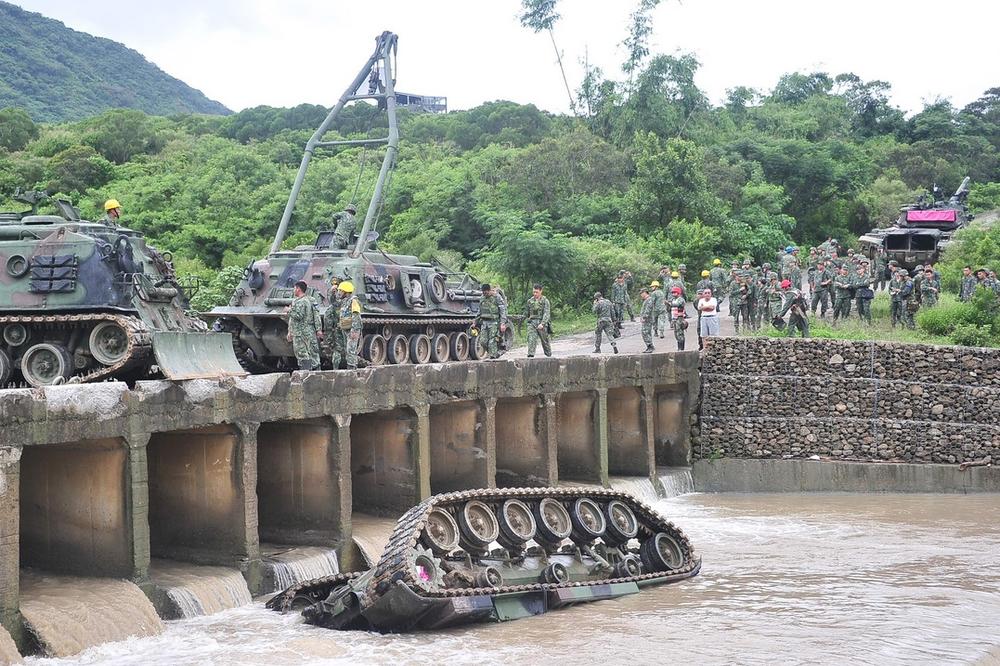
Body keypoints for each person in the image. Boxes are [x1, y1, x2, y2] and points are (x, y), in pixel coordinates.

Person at [286, 280, 322, 370]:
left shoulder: (301, 301)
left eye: (294, 288)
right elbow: (292, 320)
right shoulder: (302, 300)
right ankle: (315, 374)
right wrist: (290, 331)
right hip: (304, 331)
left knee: (302, 353)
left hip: (301, 333)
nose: (293, 290)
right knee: (312, 354)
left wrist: (289, 311)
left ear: (298, 289)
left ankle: (306, 374)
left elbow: (298, 316)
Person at [478, 283, 508, 359]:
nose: (485, 294)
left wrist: (502, 323)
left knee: (492, 341)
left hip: (494, 322)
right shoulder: (482, 298)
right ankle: (494, 353)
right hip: (484, 322)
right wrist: (475, 321)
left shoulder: (497, 297)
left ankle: (493, 356)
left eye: (486, 293)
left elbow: (502, 310)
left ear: (490, 290)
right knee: (483, 341)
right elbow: (479, 311)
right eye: (483, 293)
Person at [337, 281, 363, 369]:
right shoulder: (345, 301)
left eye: (341, 291)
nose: (339, 292)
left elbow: (356, 316)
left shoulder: (353, 301)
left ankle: (352, 370)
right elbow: (334, 302)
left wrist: (354, 331)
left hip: (352, 330)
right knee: (347, 350)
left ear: (346, 292)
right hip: (346, 329)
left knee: (351, 350)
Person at [525, 284, 552, 358]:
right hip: (532, 323)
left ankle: (548, 355)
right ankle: (530, 355)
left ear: (541, 291)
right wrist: (528, 320)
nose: (535, 294)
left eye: (536, 292)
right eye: (534, 292)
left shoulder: (545, 301)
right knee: (531, 339)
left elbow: (546, 313)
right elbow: (527, 313)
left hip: (541, 322)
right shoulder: (530, 301)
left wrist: (543, 324)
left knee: (545, 341)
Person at [323, 276, 343, 366]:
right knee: (337, 349)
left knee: (338, 349)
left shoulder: (345, 300)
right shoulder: (335, 303)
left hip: (342, 327)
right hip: (337, 327)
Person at [668, 286, 687, 350]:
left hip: (680, 318)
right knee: (676, 333)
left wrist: (669, 303)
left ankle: (681, 348)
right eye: (672, 293)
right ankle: (679, 347)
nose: (673, 294)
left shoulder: (681, 299)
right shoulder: (673, 300)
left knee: (680, 333)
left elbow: (677, 304)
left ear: (678, 293)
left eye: (674, 292)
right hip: (674, 318)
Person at [639, 288, 655, 353]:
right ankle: (650, 346)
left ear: (645, 292)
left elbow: (648, 310)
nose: (641, 295)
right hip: (647, 319)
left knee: (645, 332)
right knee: (647, 332)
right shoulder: (647, 300)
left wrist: (644, 317)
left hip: (648, 319)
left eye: (641, 293)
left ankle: (650, 346)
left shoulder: (649, 300)